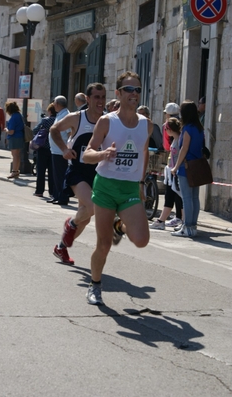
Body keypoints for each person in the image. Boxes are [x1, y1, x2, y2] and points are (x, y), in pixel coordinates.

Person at [82, 71, 152, 305]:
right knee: (103, 245)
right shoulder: (107, 121)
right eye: (130, 90)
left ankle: (120, 225)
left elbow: (143, 153)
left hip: (130, 188)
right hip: (106, 187)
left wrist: (141, 183)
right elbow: (87, 154)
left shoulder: (146, 125)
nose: (134, 94)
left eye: (138, 90)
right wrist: (104, 153)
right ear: (119, 93)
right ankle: (95, 285)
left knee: (141, 239)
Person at [50, 82, 106, 265]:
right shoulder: (77, 118)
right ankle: (71, 225)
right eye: (96, 97)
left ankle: (61, 247)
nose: (100, 101)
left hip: (97, 172)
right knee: (90, 208)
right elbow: (54, 129)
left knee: (86, 216)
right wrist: (64, 148)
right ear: (88, 99)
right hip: (77, 170)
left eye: (103, 97)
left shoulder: (108, 121)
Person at [171, 100, 205, 237]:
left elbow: (184, 149)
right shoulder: (199, 128)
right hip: (197, 165)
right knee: (195, 198)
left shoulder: (187, 129)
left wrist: (175, 167)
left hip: (186, 166)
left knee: (186, 198)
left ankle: (187, 226)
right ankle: (193, 226)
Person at [150, 118, 183, 230]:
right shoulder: (175, 139)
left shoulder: (178, 140)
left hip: (175, 173)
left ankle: (163, 221)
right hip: (172, 172)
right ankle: (162, 220)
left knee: (177, 198)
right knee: (171, 197)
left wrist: (174, 168)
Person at [48, 96, 70, 205]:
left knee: (61, 175)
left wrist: (68, 148)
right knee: (56, 175)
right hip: (56, 150)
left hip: (61, 151)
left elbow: (70, 133)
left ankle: (62, 197)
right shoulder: (60, 114)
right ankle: (56, 195)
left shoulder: (66, 115)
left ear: (57, 104)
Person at [32, 103, 56, 197]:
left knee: (41, 171)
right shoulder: (59, 120)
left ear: (50, 111)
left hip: (43, 147)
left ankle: (39, 191)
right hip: (54, 148)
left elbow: (35, 130)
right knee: (52, 171)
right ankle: (52, 191)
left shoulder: (46, 120)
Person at [4, 101, 24, 179]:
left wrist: (6, 130)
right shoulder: (19, 115)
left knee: (15, 155)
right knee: (17, 155)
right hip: (20, 136)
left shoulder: (13, 117)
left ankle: (14, 171)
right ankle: (16, 170)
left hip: (14, 137)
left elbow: (11, 131)